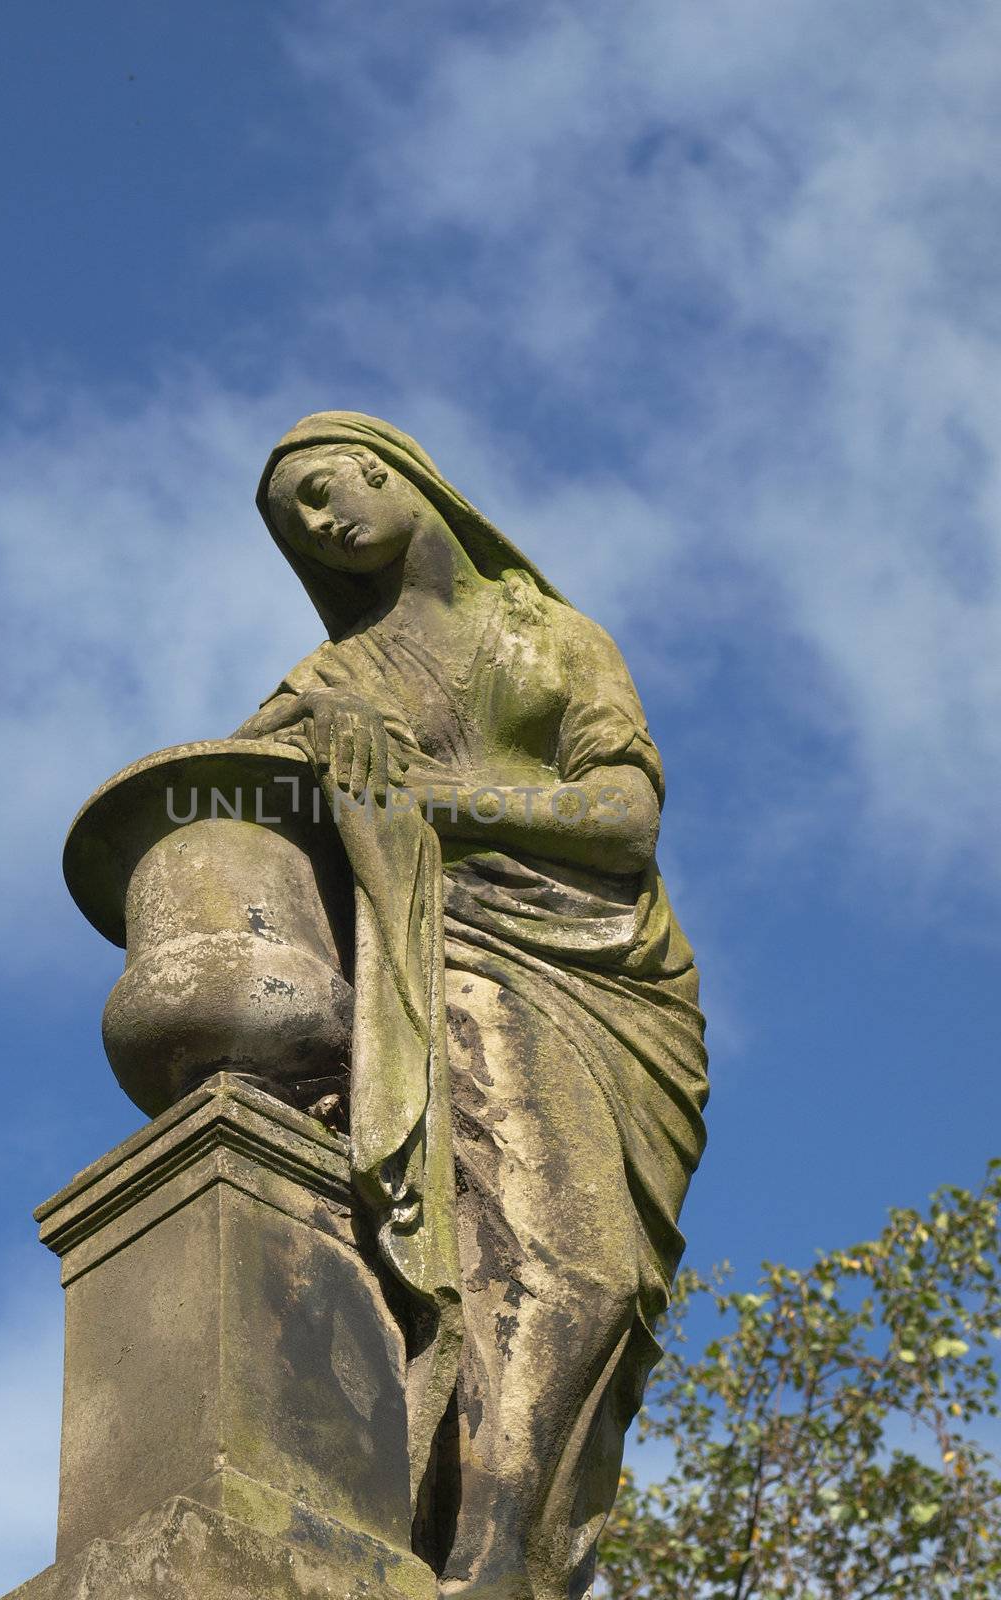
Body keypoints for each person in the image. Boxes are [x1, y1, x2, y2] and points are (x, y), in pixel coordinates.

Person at [234, 412, 708, 1600]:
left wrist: (441, 799)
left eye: (325, 489)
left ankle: (516, 1554)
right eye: (295, 521)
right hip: (451, 954)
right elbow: (225, 798)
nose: (320, 524)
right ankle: (483, 1555)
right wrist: (309, 740)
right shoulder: (335, 679)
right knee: (530, 1266)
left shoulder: (553, 639)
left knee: (599, 1284)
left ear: (392, 471)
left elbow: (625, 818)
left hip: (617, 980)